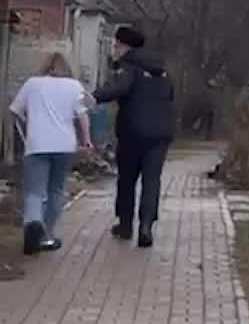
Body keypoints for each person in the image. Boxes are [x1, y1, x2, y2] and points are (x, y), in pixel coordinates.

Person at [93, 26, 175, 248]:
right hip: (161, 134)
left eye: (115, 46)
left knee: (127, 180)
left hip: (133, 133)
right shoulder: (162, 70)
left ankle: (126, 225)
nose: (114, 50)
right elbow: (170, 96)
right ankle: (146, 226)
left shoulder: (128, 67)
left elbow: (117, 89)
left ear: (123, 46)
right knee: (152, 180)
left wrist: (92, 98)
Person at [9, 52, 92, 255]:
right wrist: (87, 140)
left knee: (34, 190)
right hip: (64, 145)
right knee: (56, 189)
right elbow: (83, 116)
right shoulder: (74, 86)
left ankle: (33, 222)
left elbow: (14, 111)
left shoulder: (32, 84)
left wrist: (25, 130)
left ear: (46, 65)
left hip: (37, 144)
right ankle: (46, 236)